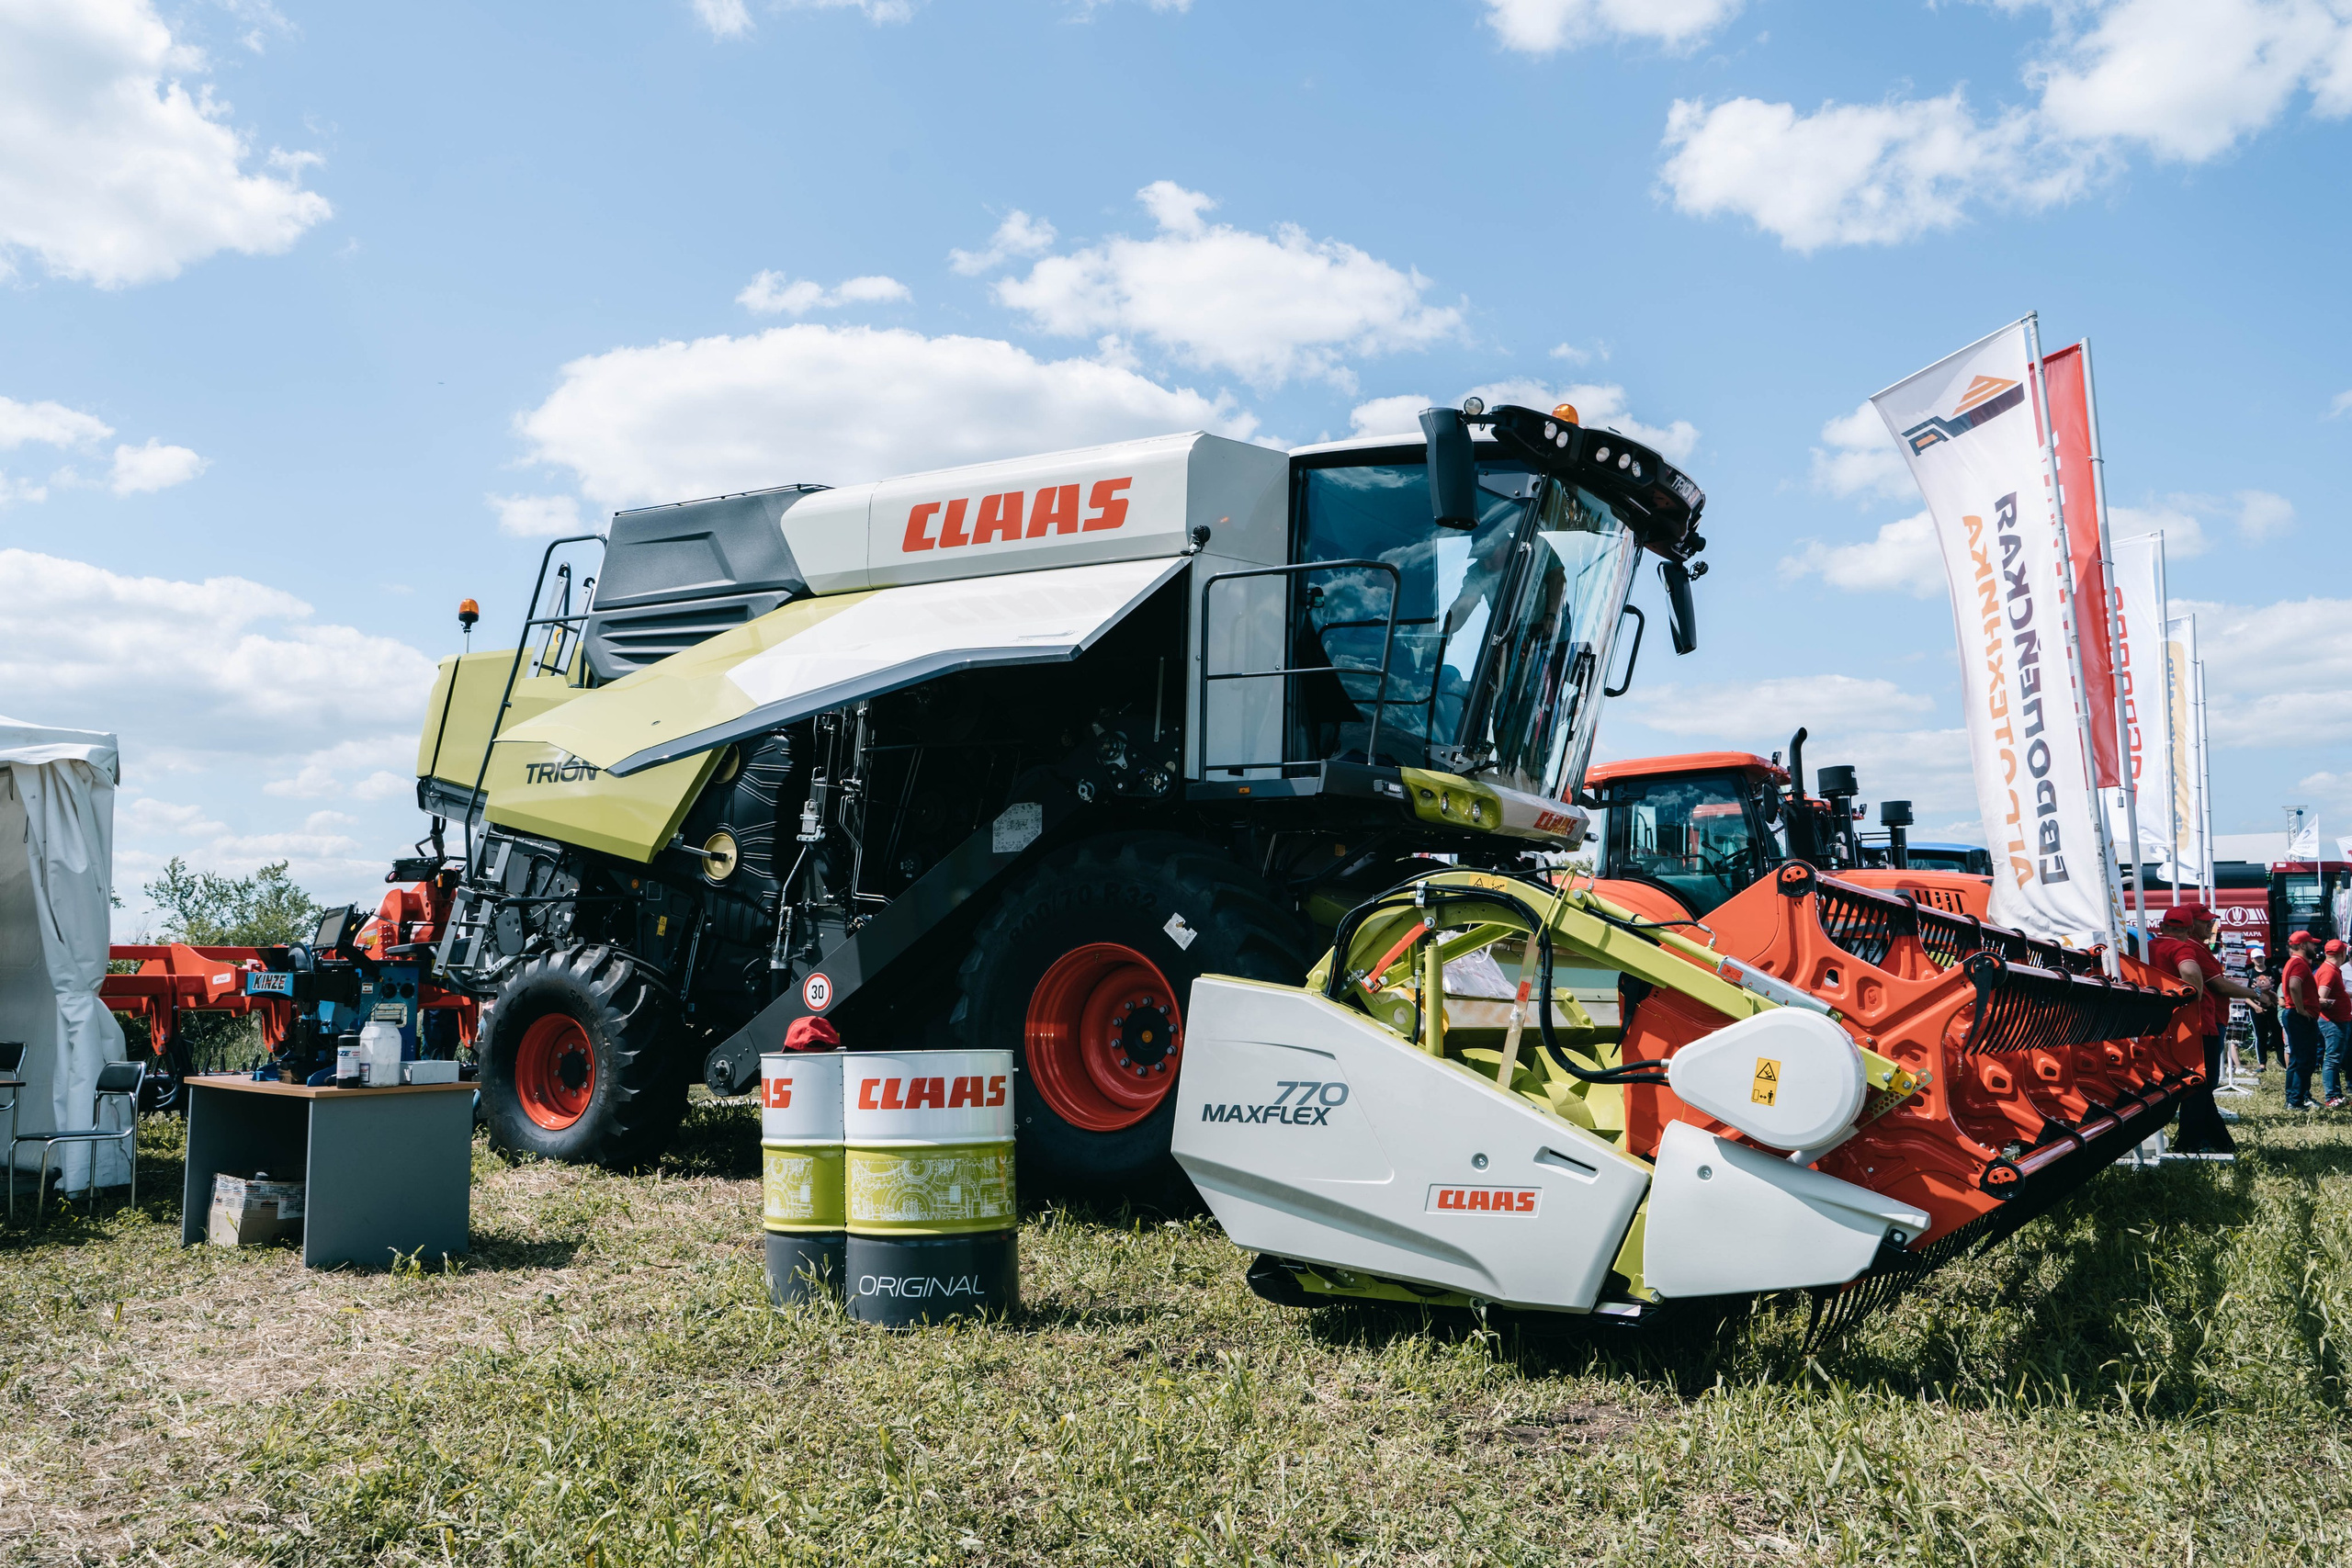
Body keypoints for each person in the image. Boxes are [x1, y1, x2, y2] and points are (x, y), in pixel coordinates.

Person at [2149, 904, 2257, 1152]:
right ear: (2189, 928)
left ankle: (2212, 1142)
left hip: (2165, 1026)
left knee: (2196, 1087)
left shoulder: (2147, 947)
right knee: (2199, 1086)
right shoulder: (2184, 947)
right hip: (2198, 1025)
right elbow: (2191, 971)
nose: (2211, 926)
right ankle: (2195, 1144)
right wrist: (2193, 998)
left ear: (2161, 926)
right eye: (2205, 921)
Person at [2280, 930, 2325, 1111]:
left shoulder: (2294, 962)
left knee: (2299, 1059)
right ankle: (2296, 1100)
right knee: (2304, 1059)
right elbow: (2293, 985)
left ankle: (2294, 1097)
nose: (2314, 946)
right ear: (2302, 945)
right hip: (2298, 1016)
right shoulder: (2299, 963)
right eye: (2311, 943)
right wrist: (2301, 1009)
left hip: (2295, 1015)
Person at [2317, 939, 2352, 1109]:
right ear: (2342, 953)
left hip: (2337, 1020)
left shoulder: (2331, 969)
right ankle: (2331, 1097)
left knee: (2335, 1059)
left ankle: (2336, 1094)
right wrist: (2331, 1003)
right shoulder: (2329, 971)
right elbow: (2321, 997)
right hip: (2333, 1021)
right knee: (2332, 1059)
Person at [2249, 962, 2285, 1071]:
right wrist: (2255, 1006)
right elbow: (2245, 993)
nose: (2259, 959)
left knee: (2278, 1035)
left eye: (2261, 957)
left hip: (2273, 1007)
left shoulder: (2273, 971)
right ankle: (2262, 1064)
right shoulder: (2249, 973)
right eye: (2256, 958)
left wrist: (2277, 1002)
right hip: (2257, 1009)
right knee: (2261, 1036)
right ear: (2252, 959)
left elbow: (2279, 987)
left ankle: (2282, 1060)